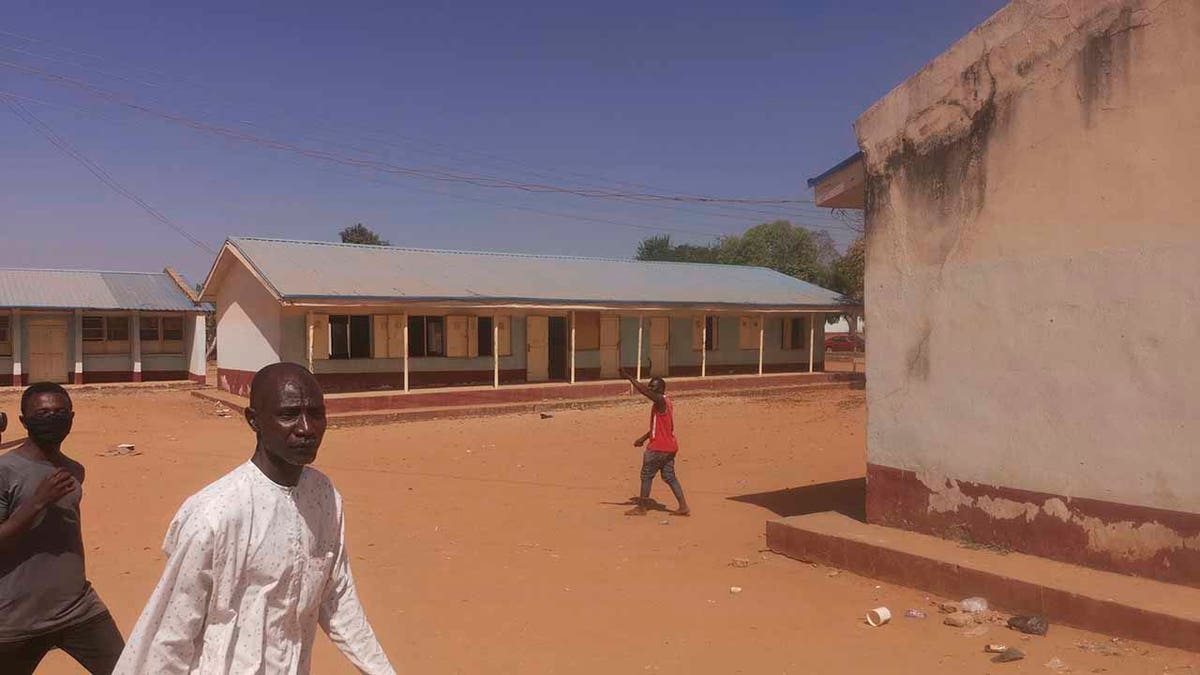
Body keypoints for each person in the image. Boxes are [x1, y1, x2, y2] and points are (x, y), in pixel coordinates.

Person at [115, 363, 395, 674]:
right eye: (288, 414)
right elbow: (172, 634)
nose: (306, 428)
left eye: (316, 414)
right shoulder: (217, 515)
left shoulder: (325, 497)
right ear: (254, 421)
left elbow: (336, 596)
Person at [0, 382, 125, 674]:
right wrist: (37, 502)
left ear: (71, 418)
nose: (51, 418)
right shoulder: (5, 472)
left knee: (128, 668)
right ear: (23, 421)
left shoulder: (74, 470)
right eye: (42, 413)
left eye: (59, 412)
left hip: (78, 608)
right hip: (17, 618)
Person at [620, 369, 690, 517]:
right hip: (670, 447)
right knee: (670, 477)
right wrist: (643, 438)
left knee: (646, 476)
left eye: (653, 387)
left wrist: (629, 378)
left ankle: (641, 508)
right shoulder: (666, 402)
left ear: (660, 389)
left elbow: (644, 391)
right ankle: (683, 506)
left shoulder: (660, 401)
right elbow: (661, 427)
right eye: (650, 386)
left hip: (658, 448)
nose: (650, 389)